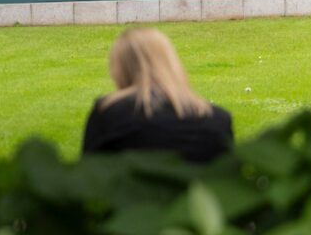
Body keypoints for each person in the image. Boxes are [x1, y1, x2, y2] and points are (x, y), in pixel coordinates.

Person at [82, 27, 233, 163]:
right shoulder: (218, 119)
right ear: (171, 61)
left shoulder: (109, 114)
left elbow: (89, 178)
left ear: (119, 68)